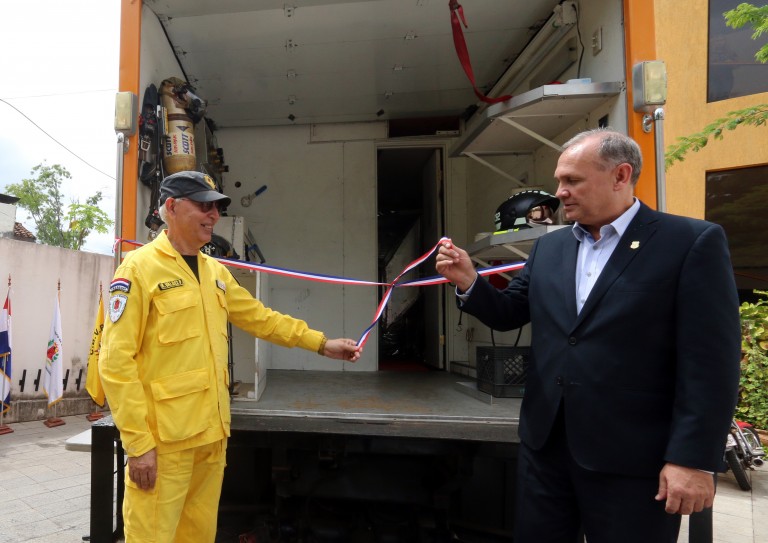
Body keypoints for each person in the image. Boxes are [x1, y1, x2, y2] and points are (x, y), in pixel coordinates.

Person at [436, 128, 741, 543]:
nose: (560, 192)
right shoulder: (551, 248)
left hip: (634, 461)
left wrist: (692, 459)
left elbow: (711, 362)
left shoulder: (689, 242)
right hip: (546, 451)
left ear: (621, 176)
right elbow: (509, 314)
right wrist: (469, 281)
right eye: (560, 180)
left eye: (572, 180)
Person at [99, 170, 361, 543]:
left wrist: (321, 343)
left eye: (217, 208)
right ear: (171, 207)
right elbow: (115, 363)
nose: (214, 216)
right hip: (164, 445)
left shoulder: (215, 272)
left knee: (199, 537)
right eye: (203, 206)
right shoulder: (138, 269)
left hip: (211, 439)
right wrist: (139, 445)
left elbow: (262, 319)